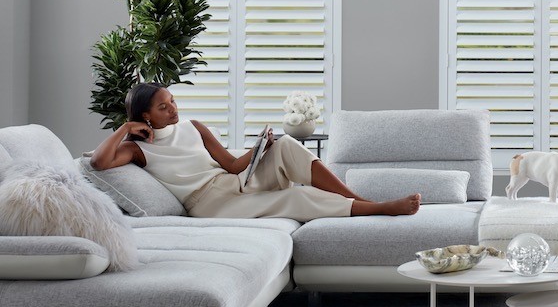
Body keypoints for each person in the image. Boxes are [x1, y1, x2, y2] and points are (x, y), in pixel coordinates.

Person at [90, 83, 421, 222]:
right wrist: (123, 129)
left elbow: (232, 165)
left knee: (288, 145)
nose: (173, 109)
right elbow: (98, 162)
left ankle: (358, 199)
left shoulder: (194, 127)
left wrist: (259, 148)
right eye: (163, 107)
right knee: (294, 199)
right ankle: (378, 209)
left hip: (233, 182)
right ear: (145, 116)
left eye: (172, 100)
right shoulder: (137, 150)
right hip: (209, 204)